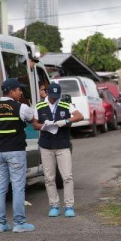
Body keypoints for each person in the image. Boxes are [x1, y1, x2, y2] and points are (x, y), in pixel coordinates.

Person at [0, 78, 36, 233]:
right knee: (18, 187)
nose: (21, 92)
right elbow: (34, 120)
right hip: (16, 152)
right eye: (19, 89)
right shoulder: (21, 107)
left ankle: (0, 224)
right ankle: (19, 224)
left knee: (0, 187)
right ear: (12, 91)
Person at [33, 83, 83, 218]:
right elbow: (34, 124)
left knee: (67, 176)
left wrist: (66, 121)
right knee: (49, 178)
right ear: (47, 93)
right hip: (46, 145)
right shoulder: (39, 106)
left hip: (62, 144)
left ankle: (69, 206)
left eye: (57, 96)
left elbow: (79, 116)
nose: (54, 99)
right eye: (52, 96)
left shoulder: (66, 105)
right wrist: (43, 126)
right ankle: (54, 205)